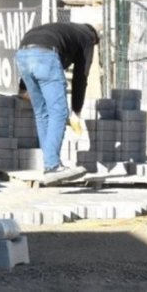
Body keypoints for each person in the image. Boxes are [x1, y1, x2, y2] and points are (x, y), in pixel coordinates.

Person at [14, 22, 100, 180]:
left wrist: (22, 86)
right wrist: (76, 110)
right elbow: (81, 76)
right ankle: (53, 166)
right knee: (59, 113)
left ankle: (49, 164)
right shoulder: (88, 37)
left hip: (22, 55)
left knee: (42, 114)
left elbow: (33, 48)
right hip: (45, 56)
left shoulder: (66, 30)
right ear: (94, 38)